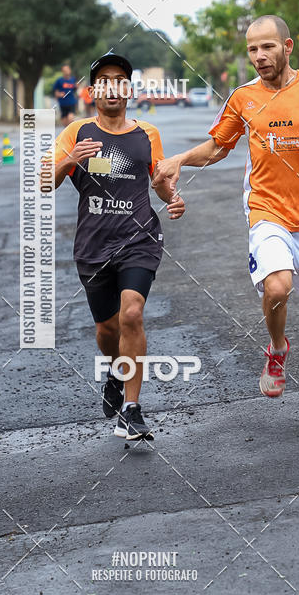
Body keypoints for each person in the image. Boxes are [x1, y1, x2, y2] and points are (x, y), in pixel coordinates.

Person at [152, 15, 299, 412]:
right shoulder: (243, 97)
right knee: (277, 288)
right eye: (252, 49)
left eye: (267, 47)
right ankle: (278, 347)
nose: (259, 56)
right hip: (266, 208)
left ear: (288, 47)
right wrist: (180, 159)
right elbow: (218, 146)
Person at [48, 53, 185, 440]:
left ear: (129, 89)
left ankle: (132, 409)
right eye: (104, 80)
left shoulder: (147, 134)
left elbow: (158, 180)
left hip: (139, 239)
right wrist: (69, 160)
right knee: (108, 329)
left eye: (119, 80)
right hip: (93, 245)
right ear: (93, 91)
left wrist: (172, 197)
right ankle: (115, 370)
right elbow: (43, 182)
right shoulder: (76, 132)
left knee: (132, 313)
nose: (112, 87)